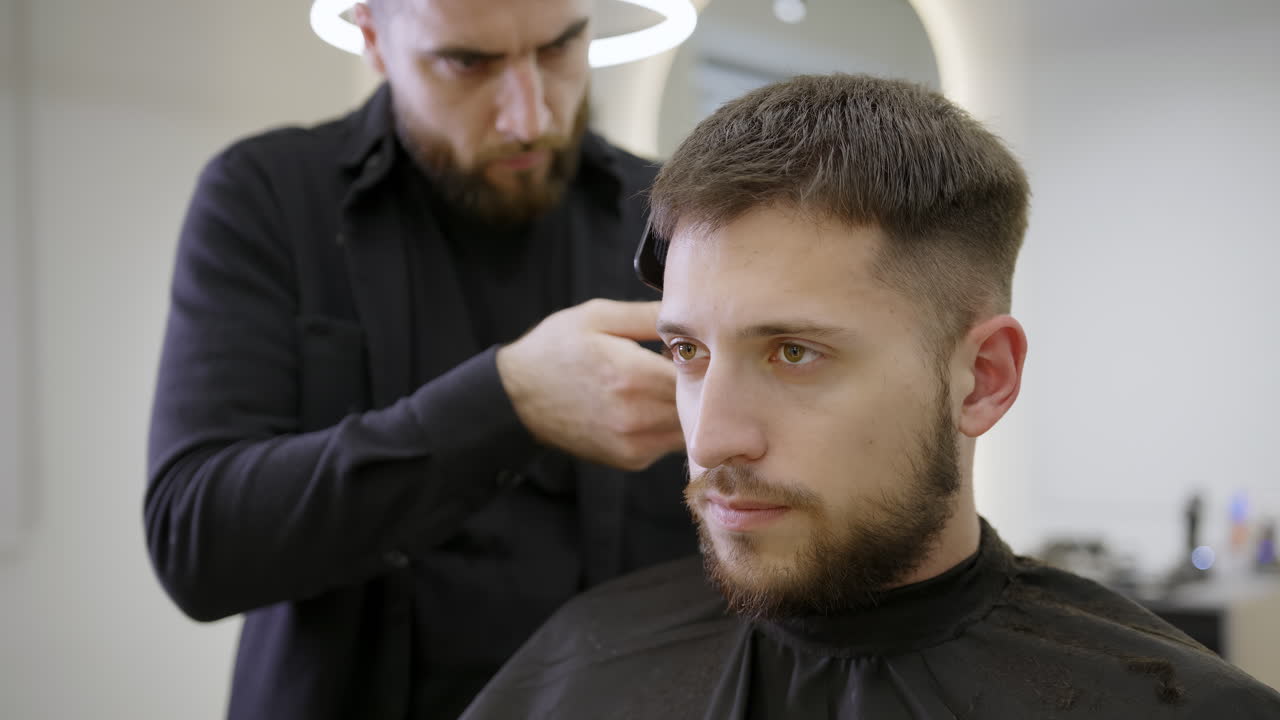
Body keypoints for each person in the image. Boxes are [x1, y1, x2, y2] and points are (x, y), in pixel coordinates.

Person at [458, 74, 1280, 719]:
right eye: (687, 351)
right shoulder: (578, 665)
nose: (710, 440)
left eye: (793, 352)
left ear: (983, 379)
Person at [143, 0, 697, 718]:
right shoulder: (271, 196)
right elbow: (199, 542)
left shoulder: (667, 220)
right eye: (468, 62)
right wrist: (510, 400)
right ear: (373, 38)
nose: (529, 117)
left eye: (559, 48)